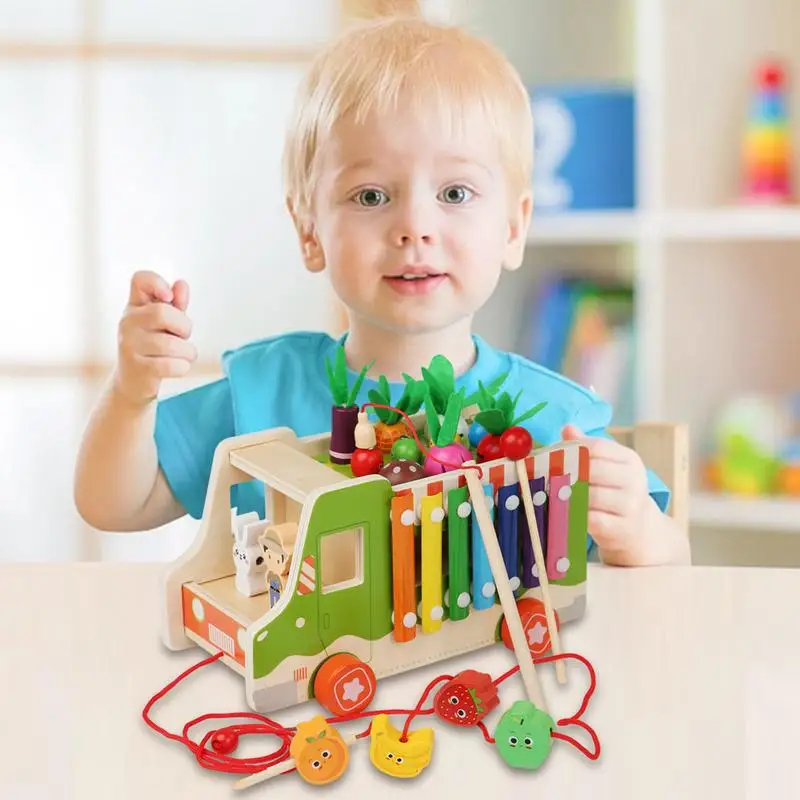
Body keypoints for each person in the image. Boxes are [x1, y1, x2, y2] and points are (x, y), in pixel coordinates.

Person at [73, 9, 690, 568]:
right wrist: (132, 392)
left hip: (486, 688)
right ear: (309, 230)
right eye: (371, 196)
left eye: (454, 194)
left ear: (512, 227)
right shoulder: (262, 391)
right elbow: (115, 505)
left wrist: (637, 527)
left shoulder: (551, 419)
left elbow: (674, 565)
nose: (415, 227)